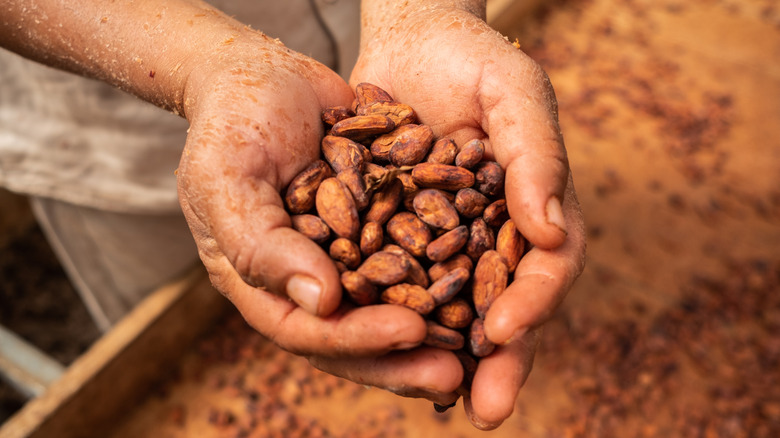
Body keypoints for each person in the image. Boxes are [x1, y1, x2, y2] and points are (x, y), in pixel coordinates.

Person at [0, 0, 586, 430]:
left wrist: (423, 13)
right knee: (170, 336)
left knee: (312, 292)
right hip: (115, 131)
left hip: (346, 68)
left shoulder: (396, 195)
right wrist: (206, 67)